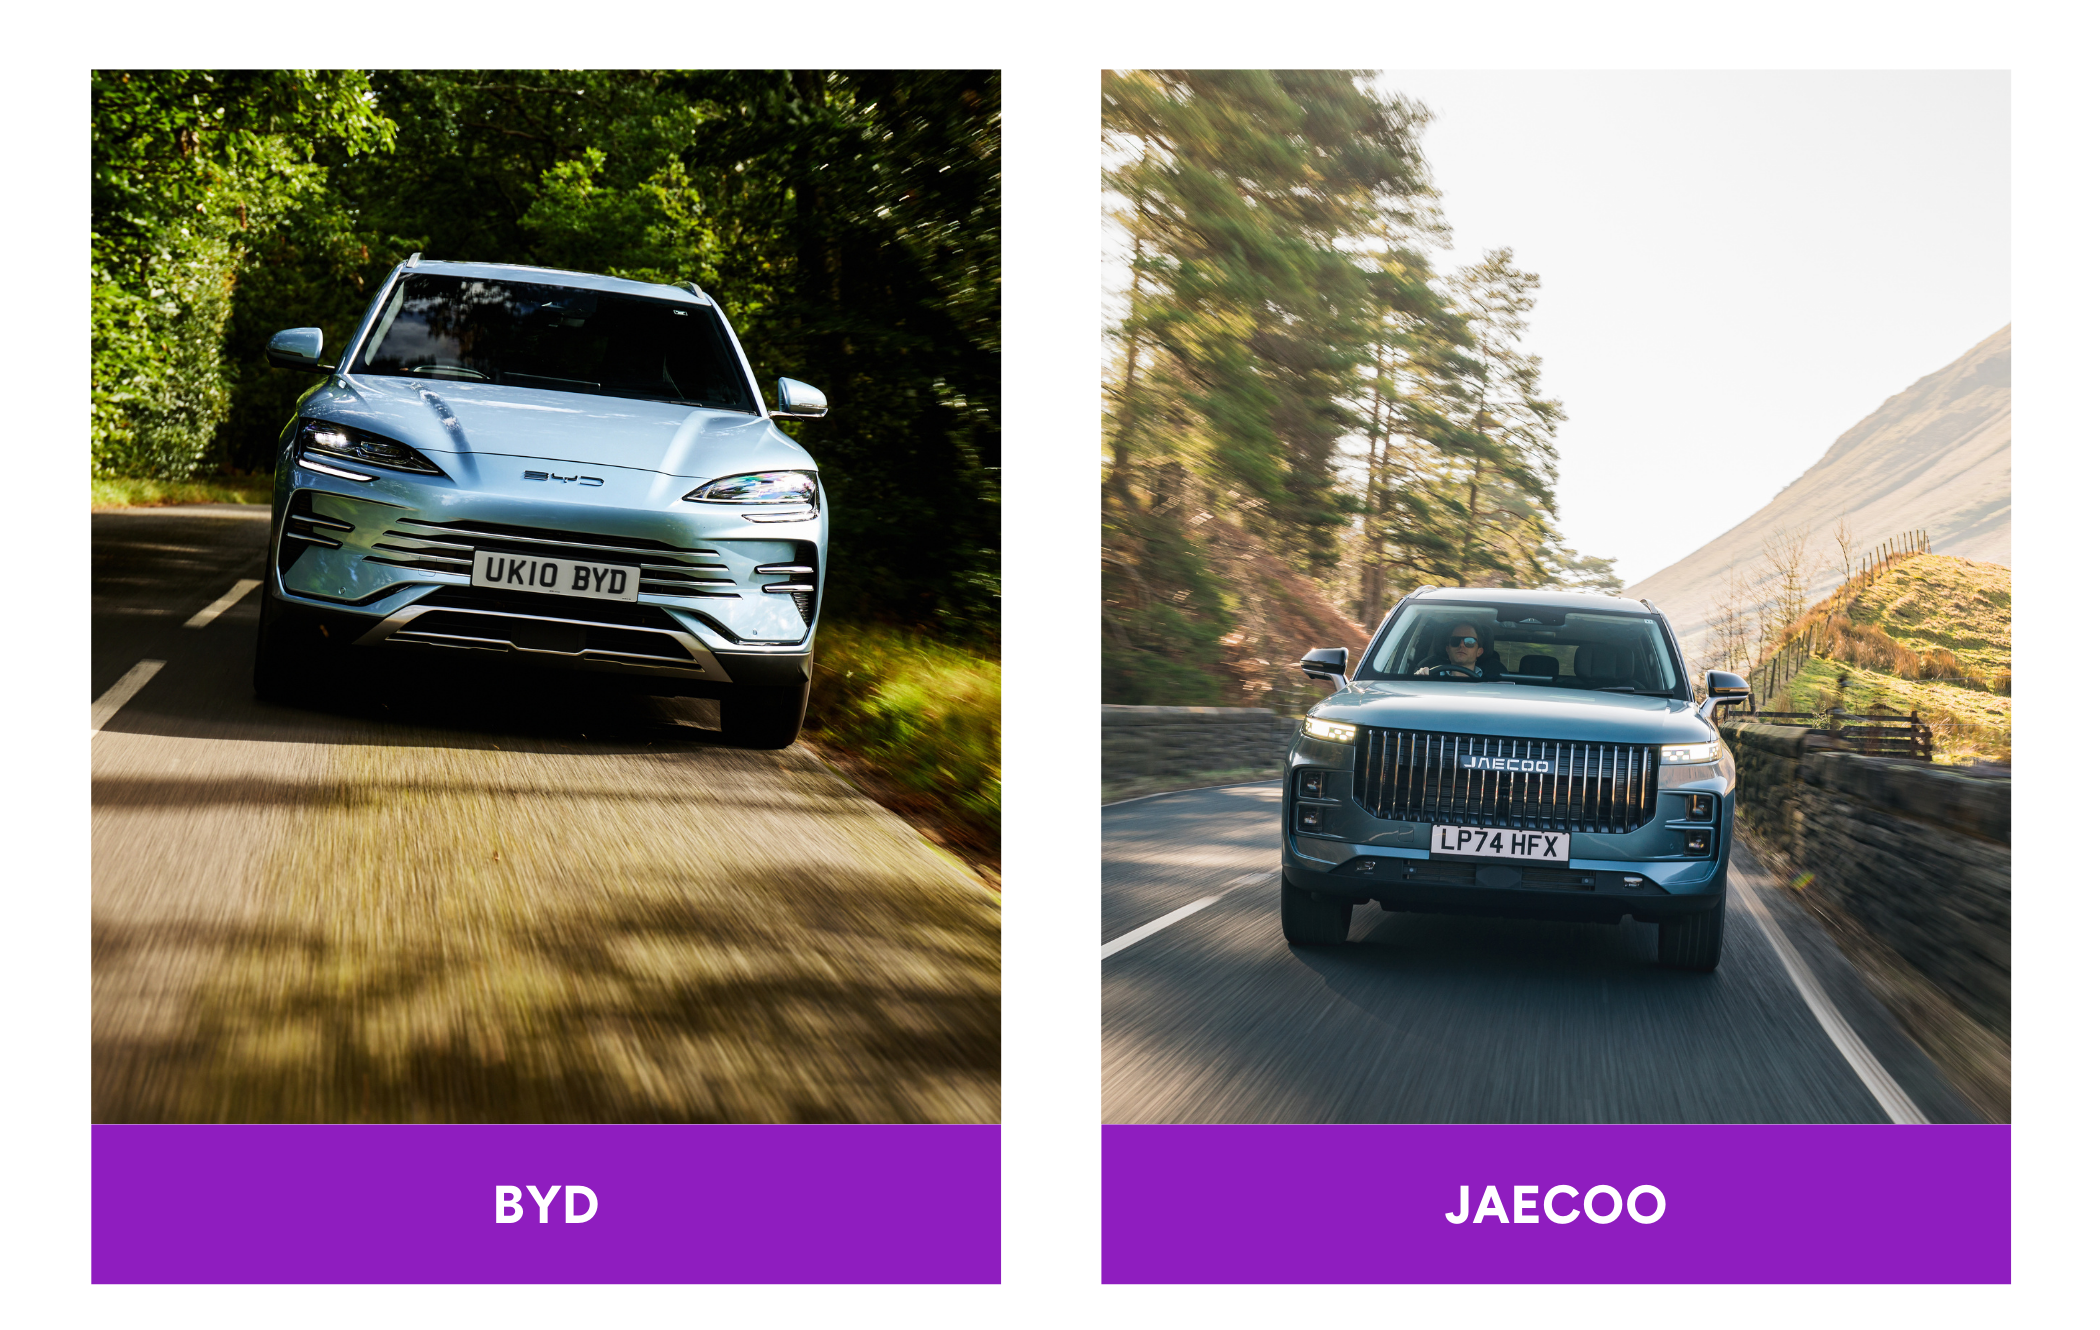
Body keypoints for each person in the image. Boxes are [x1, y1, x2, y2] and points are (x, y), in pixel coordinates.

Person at [1414, 622, 1502, 679]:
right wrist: (1419, 678)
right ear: (1447, 649)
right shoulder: (1430, 676)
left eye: (1469, 642)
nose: (1461, 645)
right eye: (1455, 641)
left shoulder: (1494, 680)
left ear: (1479, 651)